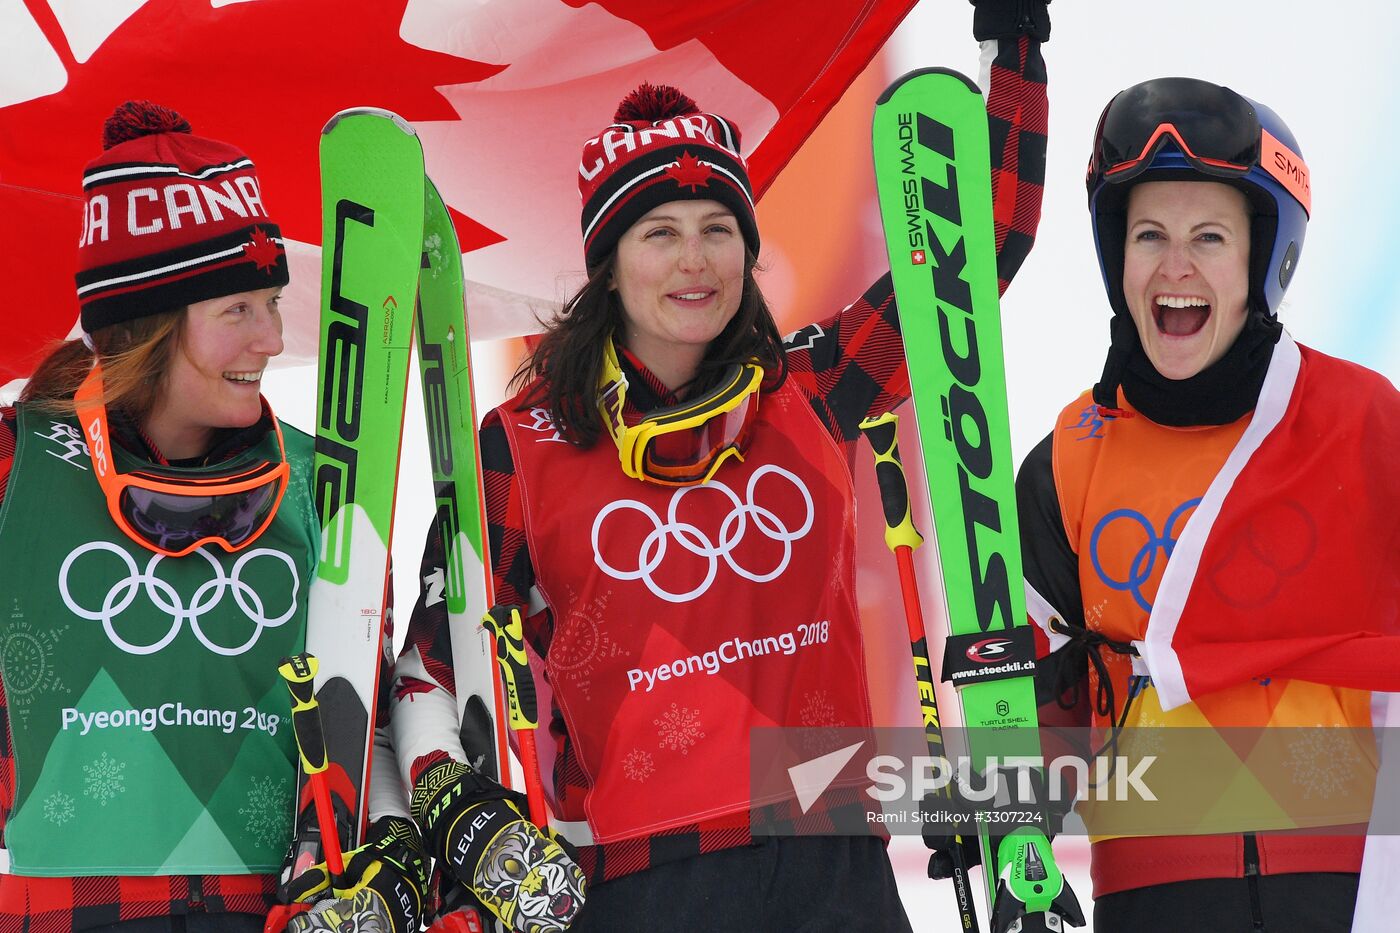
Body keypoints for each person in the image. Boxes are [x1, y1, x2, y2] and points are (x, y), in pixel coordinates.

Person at [390, 9, 1054, 929]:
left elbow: (972, 259)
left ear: (749, 248)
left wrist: (1013, 45)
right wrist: (457, 814)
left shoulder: (811, 391)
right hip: (641, 881)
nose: (695, 260)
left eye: (718, 228)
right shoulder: (523, 444)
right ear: (608, 267)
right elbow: (426, 660)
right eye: (659, 232)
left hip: (837, 867)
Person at [0, 101, 427, 933]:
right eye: (238, 310)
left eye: (271, 303)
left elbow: (362, 717)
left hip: (259, 911)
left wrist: (390, 856)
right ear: (149, 327)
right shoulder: (17, 466)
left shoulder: (317, 481)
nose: (271, 339)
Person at [1010, 77, 1400, 932]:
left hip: (1339, 884)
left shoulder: (1362, 423)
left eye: (1209, 237)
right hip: (1152, 888)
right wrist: (1008, 816)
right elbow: (1043, 700)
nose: (1174, 265)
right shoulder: (1069, 458)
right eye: (1148, 234)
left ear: (1266, 260)